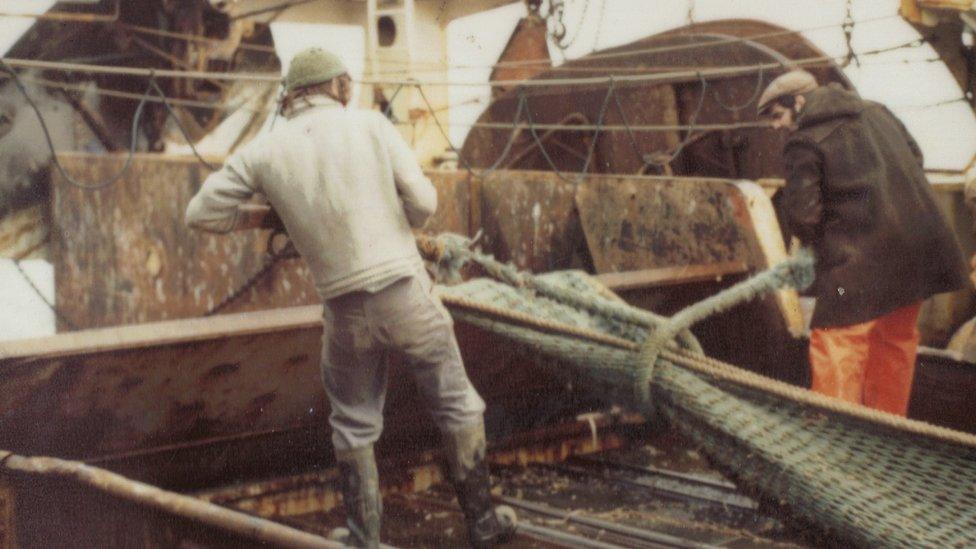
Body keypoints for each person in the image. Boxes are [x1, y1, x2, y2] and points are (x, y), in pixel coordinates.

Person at [185, 47, 516, 548]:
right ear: (338, 86)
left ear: (290, 97)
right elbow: (424, 204)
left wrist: (273, 216)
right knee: (455, 402)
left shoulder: (263, 151)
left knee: (354, 424)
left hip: (344, 311)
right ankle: (484, 524)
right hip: (406, 293)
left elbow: (201, 215)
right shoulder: (371, 127)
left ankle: (364, 539)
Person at [757, 69, 969, 416]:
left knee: (836, 338)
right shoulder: (877, 111)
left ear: (798, 102)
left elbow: (803, 217)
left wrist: (835, 234)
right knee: (895, 339)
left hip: (855, 271)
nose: (776, 126)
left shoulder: (804, 142)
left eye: (777, 116)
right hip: (916, 256)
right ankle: (888, 428)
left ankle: (840, 436)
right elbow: (915, 158)